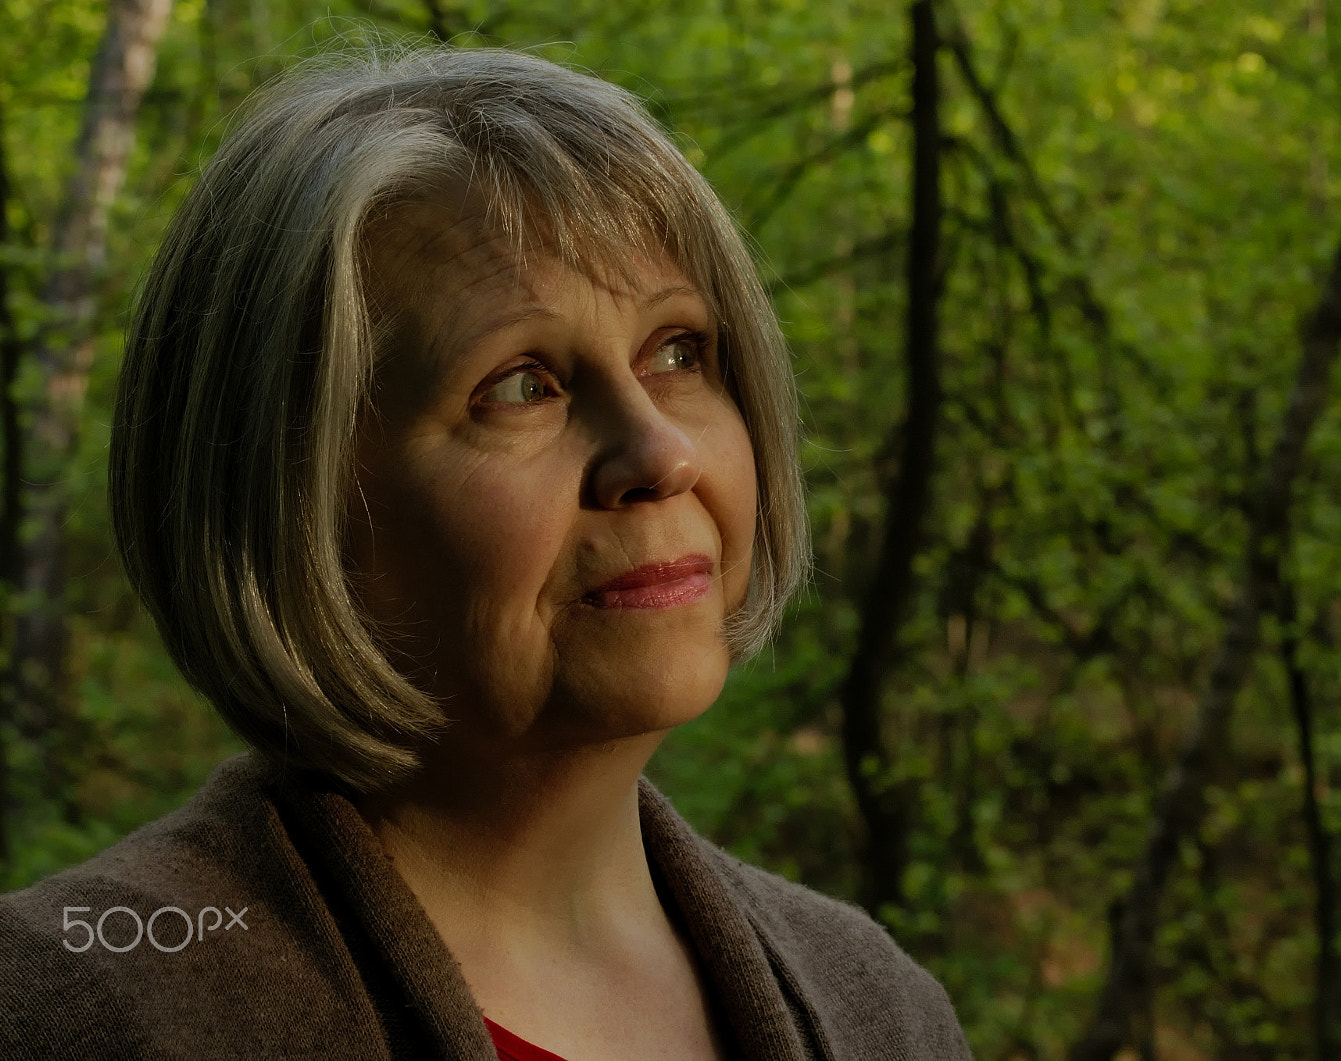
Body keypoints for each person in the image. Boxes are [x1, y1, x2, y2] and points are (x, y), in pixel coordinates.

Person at [0, 46, 971, 1061]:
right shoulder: (71, 1008)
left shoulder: (879, 1009)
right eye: (521, 384)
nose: (661, 451)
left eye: (679, 351)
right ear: (292, 502)